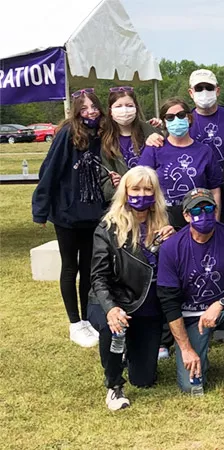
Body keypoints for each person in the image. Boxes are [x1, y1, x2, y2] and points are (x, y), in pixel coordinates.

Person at [157, 188, 224, 395]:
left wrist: (220, 304)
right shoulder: (171, 247)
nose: (204, 215)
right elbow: (169, 302)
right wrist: (186, 349)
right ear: (186, 215)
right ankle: (197, 357)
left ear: (216, 211)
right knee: (192, 387)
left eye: (209, 208)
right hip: (190, 316)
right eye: (196, 211)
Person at [88, 166, 175, 410]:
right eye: (135, 188)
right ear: (125, 191)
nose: (141, 193)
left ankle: (130, 353)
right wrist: (110, 308)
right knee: (113, 327)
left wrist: (175, 241)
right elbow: (98, 277)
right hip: (115, 300)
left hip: (147, 303)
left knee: (144, 379)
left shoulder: (166, 222)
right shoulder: (107, 228)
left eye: (148, 189)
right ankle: (114, 386)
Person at [32, 88, 108, 348]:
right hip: (66, 213)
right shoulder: (67, 134)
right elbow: (49, 171)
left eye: (93, 107)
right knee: (70, 266)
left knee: (89, 268)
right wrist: (40, 209)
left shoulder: (102, 133)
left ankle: (88, 319)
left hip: (93, 213)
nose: (90, 112)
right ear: (76, 112)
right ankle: (75, 322)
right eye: (84, 108)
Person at [138, 98, 223, 229]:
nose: (176, 120)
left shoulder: (204, 151)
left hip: (198, 214)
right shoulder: (154, 149)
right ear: (164, 122)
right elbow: (140, 183)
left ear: (189, 118)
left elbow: (215, 189)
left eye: (181, 115)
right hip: (163, 218)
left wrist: (215, 222)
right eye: (170, 117)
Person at [100, 86, 160, 201]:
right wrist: (113, 183)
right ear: (110, 111)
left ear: (136, 108)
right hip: (122, 200)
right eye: (118, 106)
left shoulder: (151, 132)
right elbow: (104, 179)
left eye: (129, 106)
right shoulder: (105, 140)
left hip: (150, 196)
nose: (125, 111)